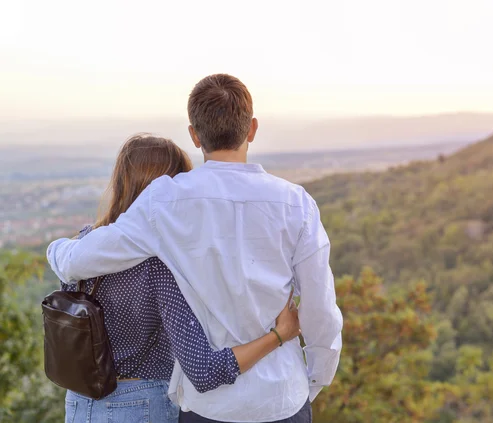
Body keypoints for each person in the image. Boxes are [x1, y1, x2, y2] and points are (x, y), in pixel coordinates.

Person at [47, 74, 343, 423]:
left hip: (209, 407)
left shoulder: (166, 199)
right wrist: (312, 383)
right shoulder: (297, 204)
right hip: (282, 398)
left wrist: (57, 249)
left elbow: (77, 262)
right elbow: (321, 311)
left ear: (194, 134)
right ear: (252, 129)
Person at [57, 134, 301, 423]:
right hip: (142, 405)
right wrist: (279, 335)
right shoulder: (160, 265)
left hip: (78, 406)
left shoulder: (83, 245)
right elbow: (204, 371)